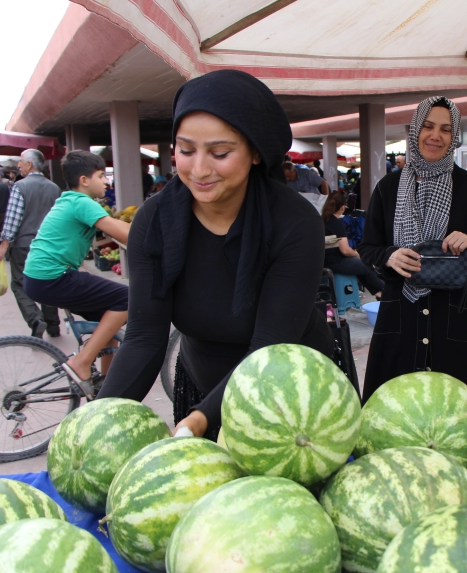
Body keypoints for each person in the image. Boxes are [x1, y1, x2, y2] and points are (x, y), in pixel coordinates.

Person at [96, 70, 334, 441]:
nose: (200, 170)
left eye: (220, 153)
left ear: (256, 152)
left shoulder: (295, 222)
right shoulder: (154, 221)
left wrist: (199, 420)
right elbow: (144, 339)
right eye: (186, 150)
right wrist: (94, 423)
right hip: (204, 388)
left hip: (295, 395)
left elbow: (269, 348)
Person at [359, 96, 467, 405]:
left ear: (454, 136)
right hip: (401, 315)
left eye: (445, 130)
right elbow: (368, 247)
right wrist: (390, 256)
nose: (435, 136)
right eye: (428, 126)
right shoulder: (387, 188)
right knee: (395, 408)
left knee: (454, 408)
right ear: (415, 130)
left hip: (454, 317)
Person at [21, 150, 131, 395]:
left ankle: (105, 385)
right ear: (84, 180)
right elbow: (122, 233)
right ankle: (81, 361)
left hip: (40, 278)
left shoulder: (71, 200)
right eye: (101, 176)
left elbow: (120, 227)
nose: (106, 181)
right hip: (53, 277)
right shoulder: (82, 202)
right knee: (127, 299)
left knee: (108, 315)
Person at [0, 149, 64, 338]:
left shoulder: (20, 186)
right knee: (47, 282)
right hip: (48, 246)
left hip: (24, 245)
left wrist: (3, 246)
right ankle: (53, 325)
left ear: (30, 164)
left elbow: (12, 219)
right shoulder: (54, 188)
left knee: (19, 284)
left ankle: (35, 318)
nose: (18, 165)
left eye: (21, 161)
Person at [322, 191, 384, 298]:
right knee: (366, 264)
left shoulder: (322, 220)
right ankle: (386, 290)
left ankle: (379, 293)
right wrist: (357, 254)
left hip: (324, 261)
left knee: (359, 267)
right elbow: (345, 250)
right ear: (342, 207)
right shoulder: (336, 223)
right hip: (335, 262)